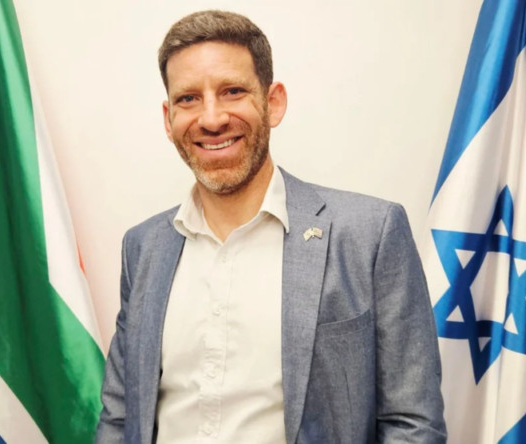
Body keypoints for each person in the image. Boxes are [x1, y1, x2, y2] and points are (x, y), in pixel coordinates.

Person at [95, 10, 446, 444]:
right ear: (168, 119)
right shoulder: (143, 247)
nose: (211, 119)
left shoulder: (369, 235)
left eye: (232, 91)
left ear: (273, 102)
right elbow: (120, 417)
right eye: (188, 99)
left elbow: (413, 424)